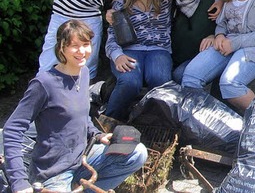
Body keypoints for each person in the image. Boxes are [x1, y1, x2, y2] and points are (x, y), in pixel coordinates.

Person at [3, 20, 147, 193]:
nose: (81, 51)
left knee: (137, 153)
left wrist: (97, 134)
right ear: (61, 48)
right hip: (52, 172)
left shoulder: (83, 73)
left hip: (82, 159)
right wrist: (19, 181)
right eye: (74, 46)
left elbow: (81, 115)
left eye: (85, 45)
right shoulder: (44, 83)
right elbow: (12, 129)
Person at [104, 0, 173, 121]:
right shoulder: (122, 3)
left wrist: (219, 2)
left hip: (159, 49)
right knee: (130, 82)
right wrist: (117, 56)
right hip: (130, 50)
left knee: (160, 80)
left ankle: (157, 123)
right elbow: (112, 36)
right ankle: (108, 122)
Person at [169, 0, 218, 85]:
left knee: (180, 75)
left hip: (203, 58)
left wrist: (215, 36)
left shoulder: (210, 3)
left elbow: (226, 27)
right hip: (176, 60)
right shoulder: (169, 5)